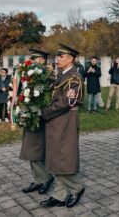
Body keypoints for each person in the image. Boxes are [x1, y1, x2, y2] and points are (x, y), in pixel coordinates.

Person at [40, 43, 85, 208]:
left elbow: (67, 102)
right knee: (57, 156)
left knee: (63, 156)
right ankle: (60, 195)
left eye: (61, 56)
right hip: (57, 120)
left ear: (71, 59)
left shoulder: (74, 77)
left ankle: (76, 188)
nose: (57, 59)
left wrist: (44, 111)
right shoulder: (62, 75)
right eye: (57, 56)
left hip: (65, 120)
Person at [19, 48, 55, 195]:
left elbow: (48, 98)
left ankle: (46, 178)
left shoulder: (48, 77)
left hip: (41, 118)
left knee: (36, 150)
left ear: (42, 60)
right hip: (30, 116)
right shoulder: (31, 75)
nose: (32, 61)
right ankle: (38, 179)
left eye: (35, 59)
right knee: (30, 150)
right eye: (32, 59)